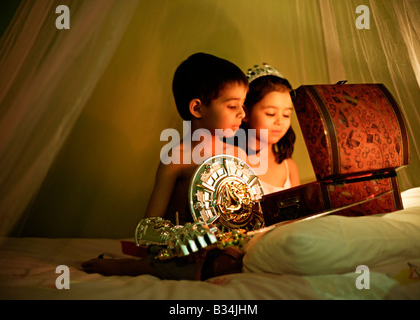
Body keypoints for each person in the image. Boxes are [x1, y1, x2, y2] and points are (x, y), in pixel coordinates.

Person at [81, 52, 248, 280]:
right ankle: (130, 267)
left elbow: (246, 216)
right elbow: (147, 228)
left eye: (243, 105)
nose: (243, 113)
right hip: (182, 251)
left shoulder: (238, 155)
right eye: (232, 106)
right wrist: (182, 238)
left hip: (224, 247)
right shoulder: (177, 157)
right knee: (193, 267)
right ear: (197, 108)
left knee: (244, 259)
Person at [240, 63, 301, 194]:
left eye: (286, 115)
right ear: (245, 112)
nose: (279, 121)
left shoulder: (289, 167)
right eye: (270, 113)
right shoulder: (234, 162)